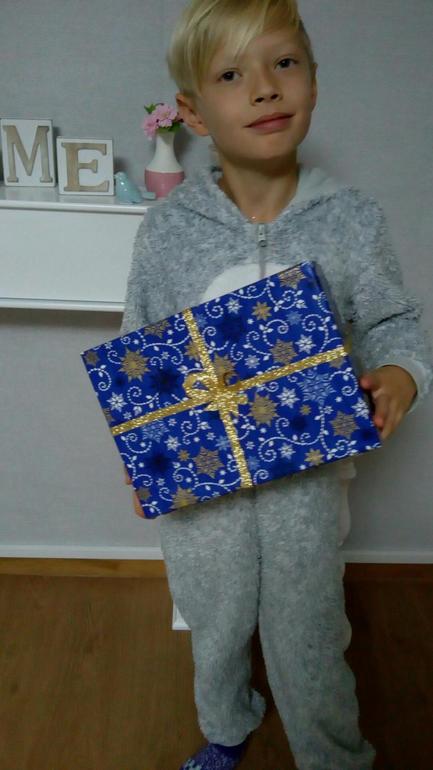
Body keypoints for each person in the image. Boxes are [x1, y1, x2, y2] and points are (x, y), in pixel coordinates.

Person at [120, 1, 433, 768]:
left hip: (306, 486)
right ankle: (227, 727)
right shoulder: (166, 231)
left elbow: (393, 320)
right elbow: (139, 351)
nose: (264, 87)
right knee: (215, 619)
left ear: (312, 81)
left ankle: (332, 754)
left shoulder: (349, 220)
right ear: (193, 112)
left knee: (310, 628)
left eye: (283, 63)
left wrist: (400, 374)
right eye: (231, 75)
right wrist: (143, 452)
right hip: (204, 496)